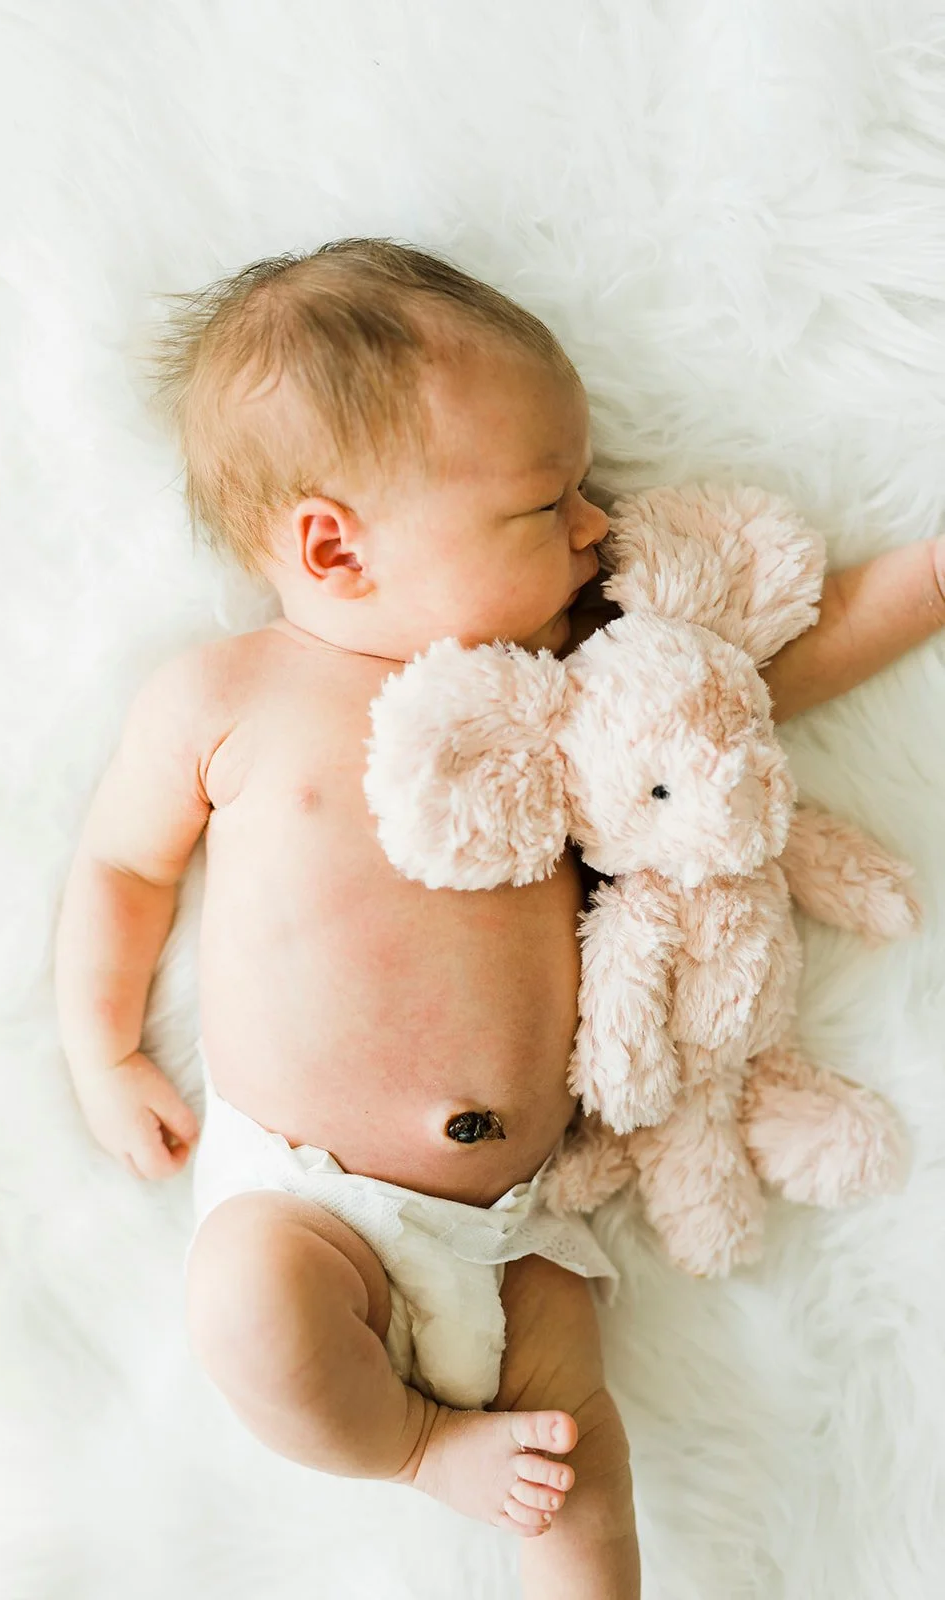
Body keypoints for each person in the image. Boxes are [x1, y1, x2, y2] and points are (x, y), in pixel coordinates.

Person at [54, 238, 945, 1599]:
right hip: (313, 1206)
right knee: (246, 1312)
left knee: (580, 1467)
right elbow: (119, 870)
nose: (599, 525)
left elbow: (766, 676)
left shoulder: (565, 683)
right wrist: (102, 1050)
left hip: (520, 1226)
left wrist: (925, 585)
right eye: (547, 502)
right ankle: (416, 1450)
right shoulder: (226, 697)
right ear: (334, 545)